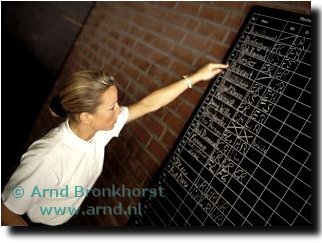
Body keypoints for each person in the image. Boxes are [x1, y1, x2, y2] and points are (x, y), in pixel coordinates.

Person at [1, 63, 229, 226]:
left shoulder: (98, 129)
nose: (119, 110)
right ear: (86, 117)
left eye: (117, 102)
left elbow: (148, 104)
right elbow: (6, 211)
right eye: (112, 107)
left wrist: (195, 77)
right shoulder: (49, 156)